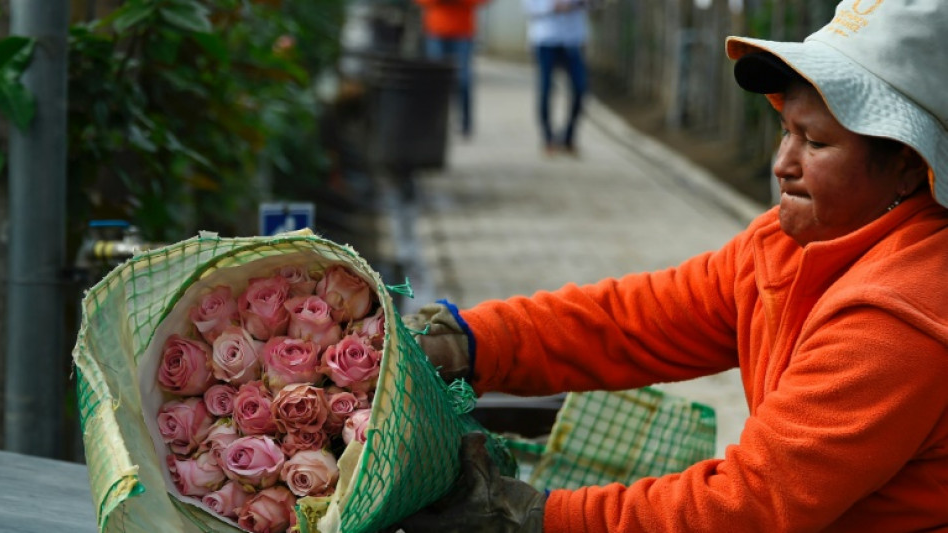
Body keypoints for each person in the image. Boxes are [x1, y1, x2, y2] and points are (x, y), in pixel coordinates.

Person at [395, 0, 948, 531]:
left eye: (817, 143)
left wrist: (536, 518)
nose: (783, 164)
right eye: (787, 130)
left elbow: (745, 505)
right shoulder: (790, 245)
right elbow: (632, 321)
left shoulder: (899, 321)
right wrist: (467, 343)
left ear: (907, 166)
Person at [413, 0, 489, 138]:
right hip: (436, 29)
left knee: (463, 79)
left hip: (463, 31)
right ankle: (433, 122)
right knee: (434, 81)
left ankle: (465, 122)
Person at [522, 0, 589, 156]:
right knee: (546, 90)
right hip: (546, 39)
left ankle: (569, 136)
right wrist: (553, 7)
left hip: (573, 39)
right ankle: (548, 138)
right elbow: (528, 7)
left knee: (580, 89)